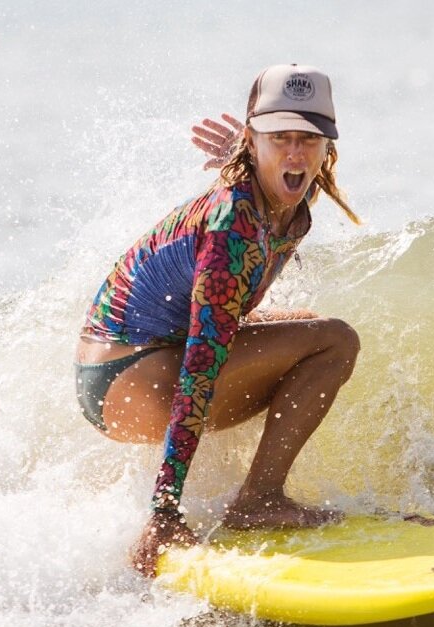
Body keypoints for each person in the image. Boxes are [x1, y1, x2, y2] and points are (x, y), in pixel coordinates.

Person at [74, 64, 361, 577]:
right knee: (335, 341)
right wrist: (164, 512)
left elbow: (216, 325)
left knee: (308, 324)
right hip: (124, 376)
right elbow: (202, 364)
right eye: (279, 139)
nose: (295, 154)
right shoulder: (232, 225)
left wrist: (254, 153)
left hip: (135, 362)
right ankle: (258, 501)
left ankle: (256, 496)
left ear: (327, 148)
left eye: (307, 140)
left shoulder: (290, 200)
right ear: (252, 142)